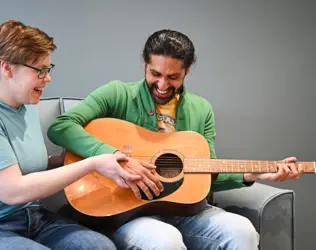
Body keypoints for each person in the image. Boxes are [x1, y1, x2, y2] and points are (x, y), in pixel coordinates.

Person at [47, 29, 303, 250]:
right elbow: (61, 126)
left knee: (241, 230)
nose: (161, 84)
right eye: (155, 73)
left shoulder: (202, 109)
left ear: (187, 71)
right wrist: (116, 157)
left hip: (186, 211)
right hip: (127, 211)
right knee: (164, 240)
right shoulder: (117, 94)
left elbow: (205, 174)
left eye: (172, 77)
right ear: (144, 65)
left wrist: (254, 175)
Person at [0, 20, 145, 250]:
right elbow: (12, 190)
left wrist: (62, 161)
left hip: (37, 217)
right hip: (3, 226)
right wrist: (92, 164)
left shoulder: (26, 105)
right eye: (40, 71)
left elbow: (22, 165)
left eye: (49, 69)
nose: (48, 78)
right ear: (7, 68)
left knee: (100, 247)